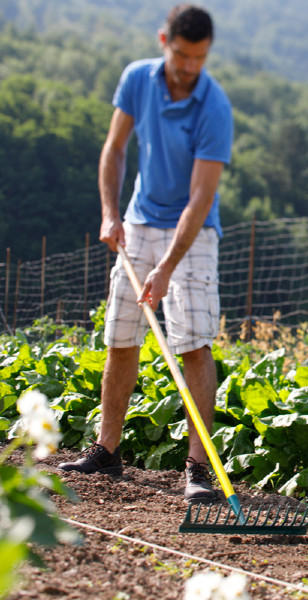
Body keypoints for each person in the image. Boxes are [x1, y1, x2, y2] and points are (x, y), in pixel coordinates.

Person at [58, 4, 234, 505]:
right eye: (182, 55)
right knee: (121, 335)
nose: (189, 68)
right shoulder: (137, 79)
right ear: (164, 41)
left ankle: (198, 469)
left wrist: (166, 266)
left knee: (194, 344)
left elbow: (200, 199)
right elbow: (114, 150)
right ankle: (107, 450)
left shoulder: (214, 108)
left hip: (192, 232)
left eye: (199, 58)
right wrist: (110, 214)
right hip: (137, 220)